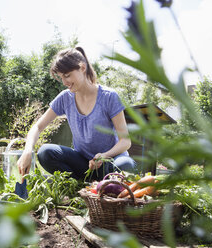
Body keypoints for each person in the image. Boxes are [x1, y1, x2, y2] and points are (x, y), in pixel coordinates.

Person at [17, 46, 136, 181]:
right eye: (61, 77)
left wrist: (104, 156)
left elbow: (125, 141)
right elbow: (38, 127)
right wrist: (28, 151)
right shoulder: (65, 98)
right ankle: (80, 185)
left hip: (110, 162)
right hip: (83, 165)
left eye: (67, 75)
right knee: (45, 153)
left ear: (83, 68)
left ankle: (105, 185)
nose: (64, 82)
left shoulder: (109, 97)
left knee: (125, 165)